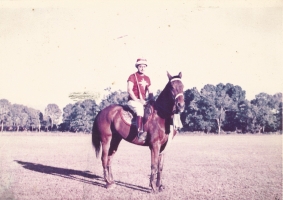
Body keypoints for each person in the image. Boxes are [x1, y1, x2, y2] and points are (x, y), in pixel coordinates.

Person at [127, 58, 153, 141]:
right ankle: (140, 132)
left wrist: (151, 100)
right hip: (133, 101)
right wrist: (137, 101)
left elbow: (150, 91)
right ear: (137, 67)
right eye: (140, 66)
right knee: (139, 108)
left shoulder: (147, 78)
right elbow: (129, 90)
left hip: (144, 101)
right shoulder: (132, 76)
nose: (142, 68)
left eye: (144, 66)